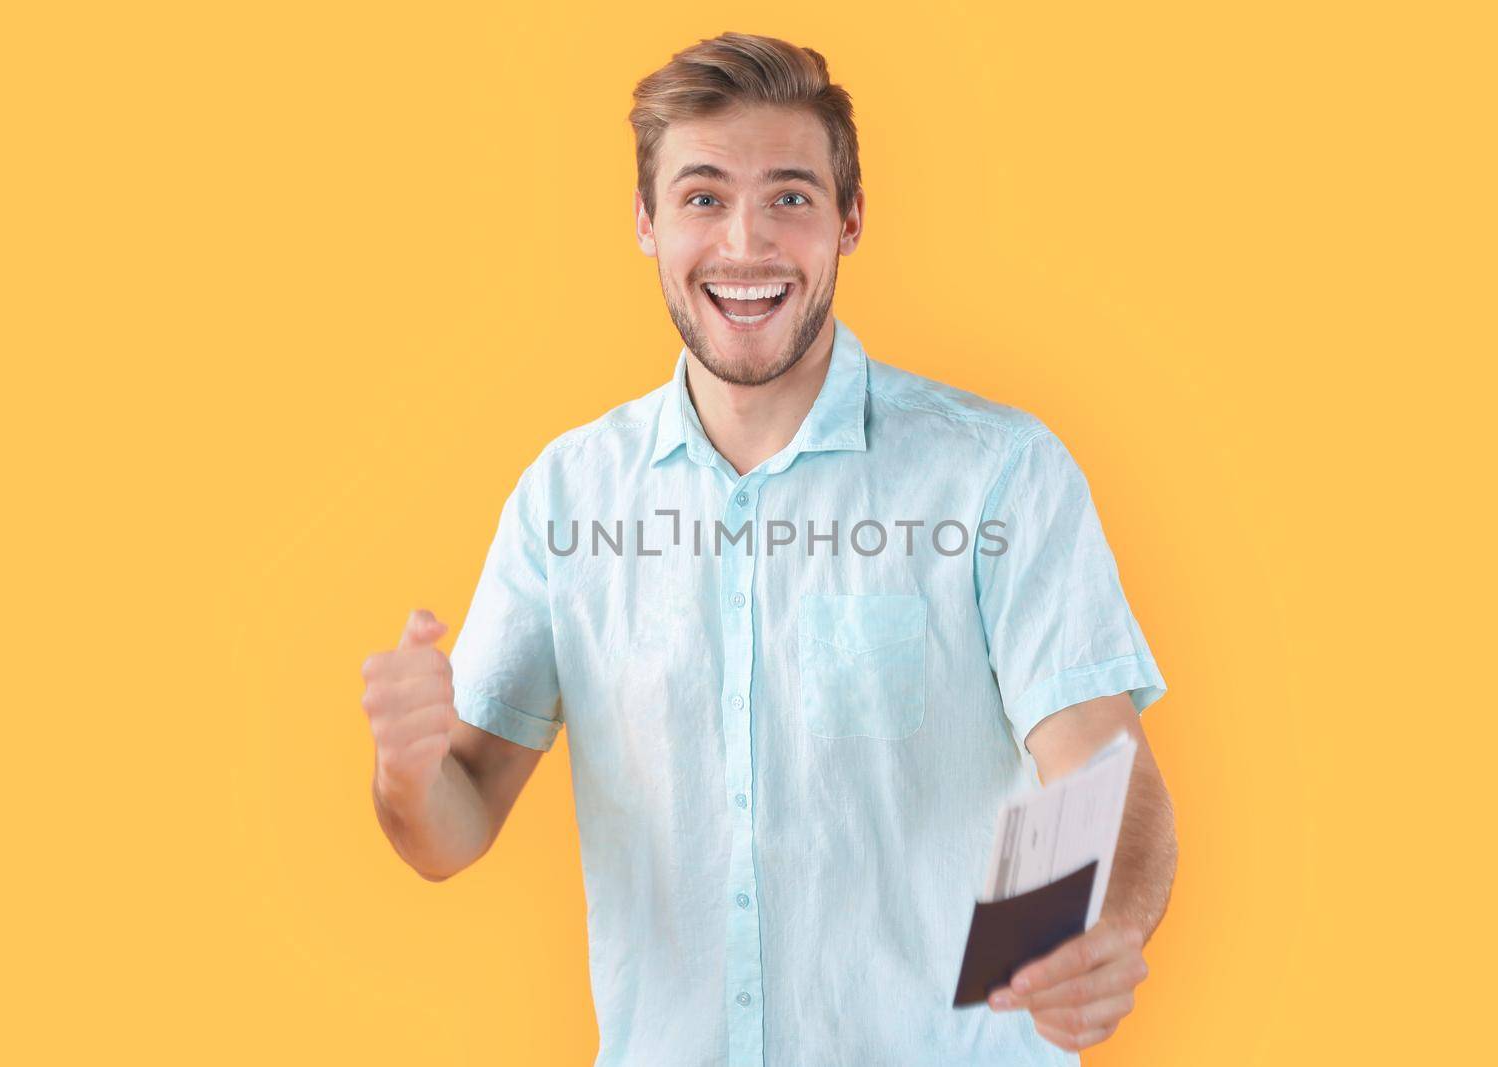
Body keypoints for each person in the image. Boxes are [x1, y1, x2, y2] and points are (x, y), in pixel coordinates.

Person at [359, 30, 1177, 1066]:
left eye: (789, 197)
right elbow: (455, 822)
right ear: (646, 225)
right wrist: (407, 770)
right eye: (702, 197)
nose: (746, 243)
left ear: (849, 220)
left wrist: (1097, 930)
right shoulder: (567, 497)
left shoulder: (997, 474)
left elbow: (1096, 765)